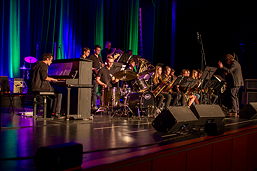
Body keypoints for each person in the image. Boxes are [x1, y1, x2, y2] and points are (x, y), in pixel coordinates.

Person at [30, 53, 62, 117]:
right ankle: (55, 113)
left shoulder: (36, 64)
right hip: (40, 87)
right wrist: (54, 79)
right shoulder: (44, 65)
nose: (51, 62)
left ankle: (48, 112)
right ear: (47, 59)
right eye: (51, 60)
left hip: (34, 86)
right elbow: (44, 77)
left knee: (51, 95)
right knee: (59, 93)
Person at [88, 45, 104, 110]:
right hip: (94, 76)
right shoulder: (91, 57)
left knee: (100, 92)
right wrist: (94, 69)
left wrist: (102, 65)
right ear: (94, 50)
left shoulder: (100, 57)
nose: (98, 51)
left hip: (99, 77)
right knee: (94, 91)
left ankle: (101, 105)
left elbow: (101, 65)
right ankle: (94, 105)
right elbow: (87, 66)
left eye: (99, 50)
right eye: (97, 50)